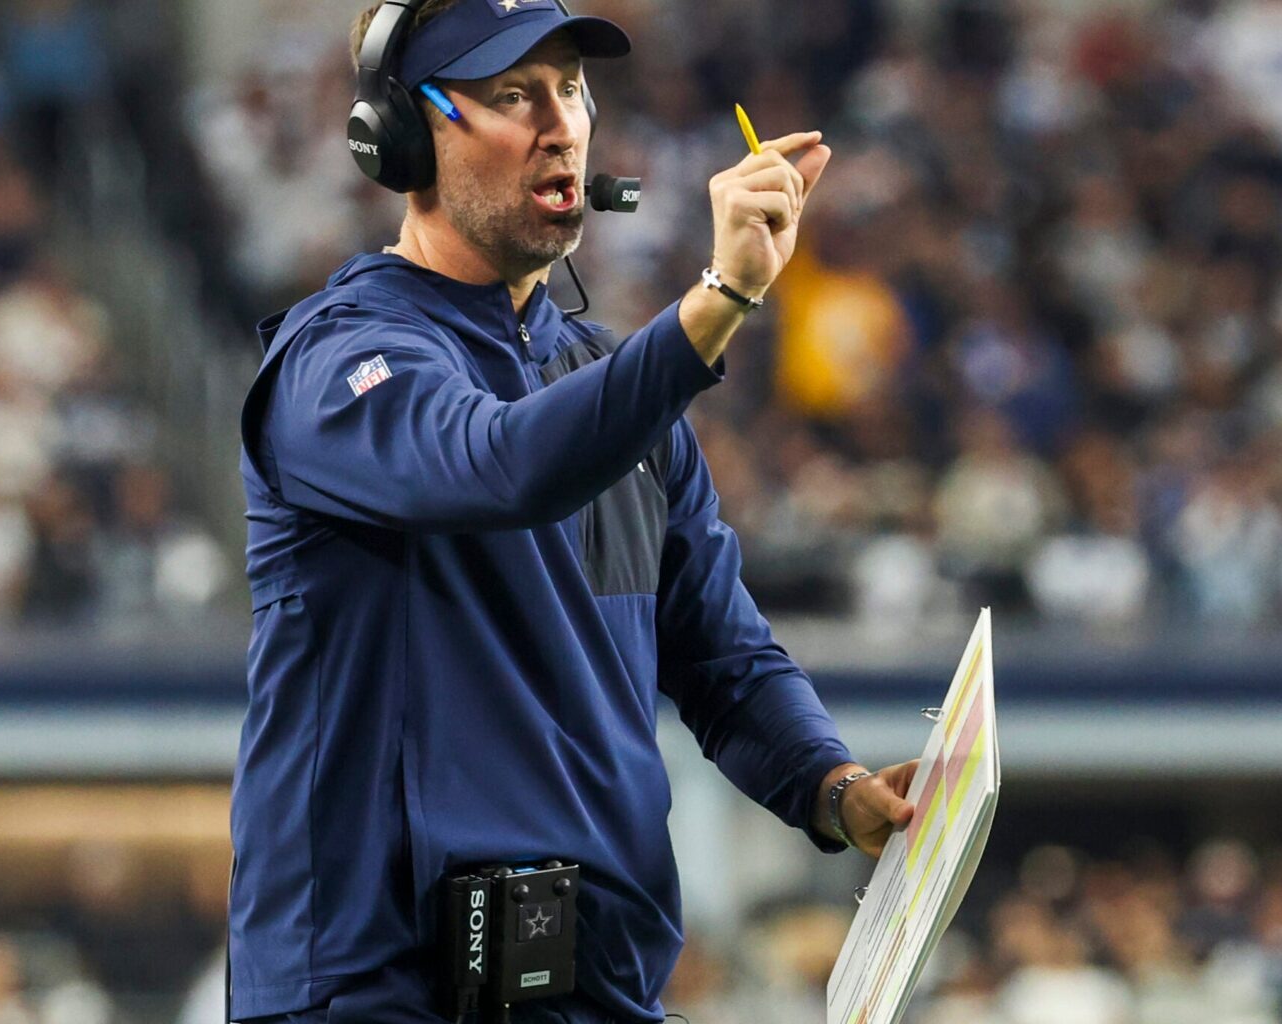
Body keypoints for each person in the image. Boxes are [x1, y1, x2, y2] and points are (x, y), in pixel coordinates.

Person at [227, 2, 919, 1021]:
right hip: (378, 994)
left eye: (572, 88)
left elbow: (722, 659)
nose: (561, 123)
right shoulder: (335, 364)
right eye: (512, 94)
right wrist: (719, 296)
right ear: (405, 136)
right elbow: (501, 464)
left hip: (591, 990)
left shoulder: (615, 389)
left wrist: (834, 786)